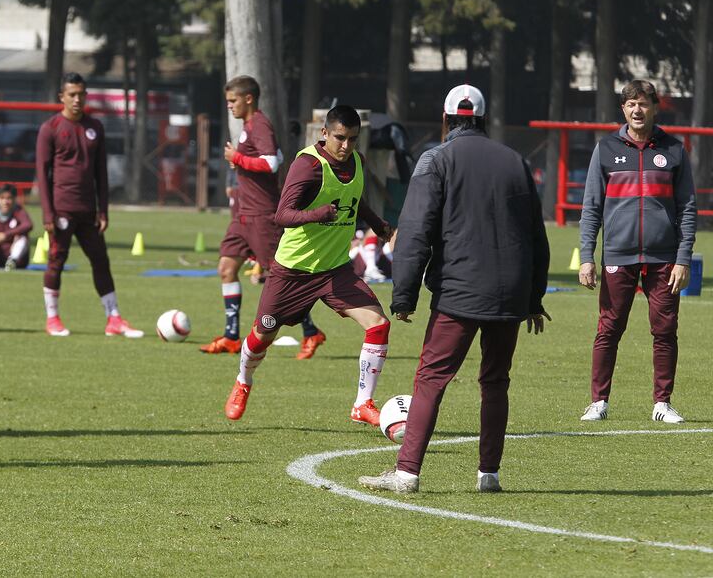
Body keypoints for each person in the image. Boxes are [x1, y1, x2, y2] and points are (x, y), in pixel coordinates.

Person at [359, 85, 550, 494]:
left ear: (446, 120)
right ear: (483, 119)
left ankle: (407, 473)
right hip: (510, 294)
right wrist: (534, 298)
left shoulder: (436, 159)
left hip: (459, 292)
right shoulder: (515, 162)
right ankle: (489, 475)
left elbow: (415, 232)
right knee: (495, 381)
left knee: (431, 378)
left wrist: (404, 295)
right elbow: (537, 235)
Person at [223, 105, 394, 424]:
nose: (346, 146)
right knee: (262, 335)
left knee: (378, 325)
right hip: (293, 271)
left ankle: (362, 403)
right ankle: (243, 380)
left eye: (353, 139)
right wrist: (318, 214)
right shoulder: (307, 165)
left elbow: (354, 200)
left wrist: (378, 225)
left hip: (335, 270)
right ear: (324, 133)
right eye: (340, 138)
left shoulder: (357, 161)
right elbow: (282, 215)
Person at [577, 79, 696, 424]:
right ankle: (598, 402)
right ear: (623, 109)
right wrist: (586, 257)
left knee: (665, 331)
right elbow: (591, 208)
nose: (637, 110)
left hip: (664, 258)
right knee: (609, 329)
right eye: (631, 104)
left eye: (643, 103)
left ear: (654, 107)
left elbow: (688, 208)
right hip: (618, 255)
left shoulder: (674, 150)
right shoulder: (605, 149)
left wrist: (683, 259)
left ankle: (663, 403)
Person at [200, 75, 326, 360]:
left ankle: (311, 331)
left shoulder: (259, 124)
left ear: (248, 99)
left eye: (233, 100)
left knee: (280, 277)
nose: (229, 105)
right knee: (226, 268)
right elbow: (278, 155)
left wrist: (238, 159)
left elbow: (270, 163)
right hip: (243, 215)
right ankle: (231, 336)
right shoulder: (249, 127)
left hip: (262, 215)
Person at [36, 72, 143, 338]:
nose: (77, 99)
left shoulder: (95, 126)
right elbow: (42, 173)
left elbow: (101, 173)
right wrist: (48, 213)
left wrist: (103, 209)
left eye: (81, 94)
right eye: (72, 94)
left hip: (88, 211)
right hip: (61, 209)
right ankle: (52, 318)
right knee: (56, 261)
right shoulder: (50, 128)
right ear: (62, 97)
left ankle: (114, 318)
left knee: (100, 260)